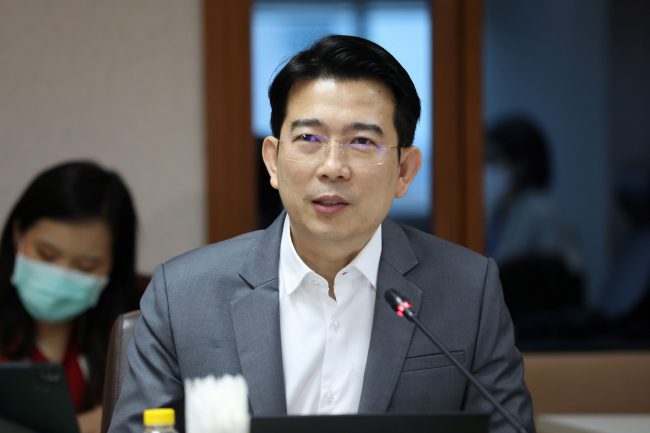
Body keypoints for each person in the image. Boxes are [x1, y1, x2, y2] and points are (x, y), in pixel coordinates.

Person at [109, 35, 534, 433]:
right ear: (273, 161)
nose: (333, 167)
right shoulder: (184, 296)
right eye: (309, 138)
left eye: (362, 142)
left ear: (404, 171)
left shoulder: (468, 291)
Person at [0, 161, 138, 433]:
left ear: (112, 267)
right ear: (18, 233)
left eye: (85, 266)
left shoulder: (133, 331)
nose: (61, 276)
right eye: (47, 254)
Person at [484, 116, 583, 326]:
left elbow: (555, 282)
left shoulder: (539, 209)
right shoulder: (504, 209)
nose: (486, 169)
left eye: (494, 160)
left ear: (521, 165)